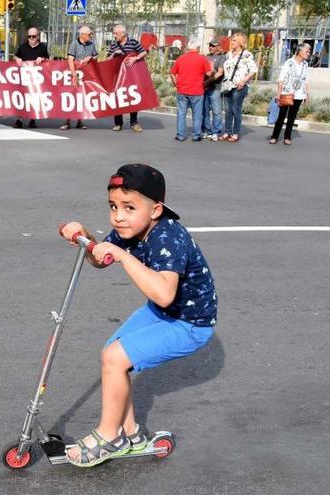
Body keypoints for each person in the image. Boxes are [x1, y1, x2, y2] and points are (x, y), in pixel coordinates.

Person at [59, 163, 216, 468]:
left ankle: (109, 437)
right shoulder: (129, 228)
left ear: (155, 210)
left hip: (190, 324)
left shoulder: (168, 237)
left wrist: (123, 256)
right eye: (113, 206)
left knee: (116, 358)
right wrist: (85, 236)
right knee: (112, 356)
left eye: (129, 207)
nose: (118, 216)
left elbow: (164, 293)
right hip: (162, 312)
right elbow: (101, 258)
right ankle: (130, 433)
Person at [169, 37, 212, 142]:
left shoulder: (181, 58)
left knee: (181, 114)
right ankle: (196, 135)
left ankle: (180, 135)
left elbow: (172, 73)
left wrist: (176, 84)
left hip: (182, 90)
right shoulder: (202, 58)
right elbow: (209, 74)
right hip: (197, 91)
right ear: (197, 47)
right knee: (197, 114)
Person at [270, 43, 311, 146]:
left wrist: (306, 95)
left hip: (299, 94)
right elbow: (281, 78)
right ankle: (274, 136)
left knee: (292, 117)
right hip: (286, 93)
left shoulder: (305, 64)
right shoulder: (289, 62)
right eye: (307, 51)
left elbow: (306, 80)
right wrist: (279, 94)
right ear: (300, 51)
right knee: (281, 116)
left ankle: (287, 137)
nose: (308, 53)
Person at [108, 24, 147, 132]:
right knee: (117, 98)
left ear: (122, 33)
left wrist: (136, 58)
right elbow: (108, 59)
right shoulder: (113, 45)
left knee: (132, 98)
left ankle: (134, 123)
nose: (115, 36)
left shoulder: (133, 42)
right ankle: (118, 123)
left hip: (131, 76)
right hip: (118, 77)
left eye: (116, 33)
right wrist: (114, 54)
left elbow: (144, 52)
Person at [220, 32, 257, 143]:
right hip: (228, 85)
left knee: (236, 109)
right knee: (227, 110)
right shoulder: (229, 54)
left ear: (241, 42)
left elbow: (253, 70)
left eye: (234, 40)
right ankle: (227, 132)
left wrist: (244, 81)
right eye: (232, 40)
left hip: (239, 86)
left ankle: (235, 133)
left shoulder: (247, 54)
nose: (232, 42)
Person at [61, 26, 97, 130]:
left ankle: (80, 121)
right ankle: (67, 121)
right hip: (75, 74)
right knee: (72, 97)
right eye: (89, 34)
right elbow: (70, 60)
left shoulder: (92, 44)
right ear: (83, 35)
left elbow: (95, 56)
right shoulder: (74, 44)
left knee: (82, 98)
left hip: (86, 75)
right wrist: (73, 76)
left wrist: (90, 57)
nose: (91, 36)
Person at [13, 27, 49, 129]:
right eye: (29, 36)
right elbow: (15, 57)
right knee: (21, 98)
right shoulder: (23, 47)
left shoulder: (42, 48)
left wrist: (42, 58)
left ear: (38, 37)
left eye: (34, 36)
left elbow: (48, 60)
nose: (31, 39)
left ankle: (32, 119)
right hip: (23, 77)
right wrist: (17, 58)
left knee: (34, 98)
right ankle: (19, 120)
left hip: (36, 78)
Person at [202, 39, 225, 142]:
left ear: (218, 47)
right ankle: (207, 130)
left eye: (213, 46)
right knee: (205, 111)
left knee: (216, 112)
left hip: (215, 88)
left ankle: (216, 132)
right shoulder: (206, 57)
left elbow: (220, 72)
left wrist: (207, 81)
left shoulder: (221, 57)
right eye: (210, 45)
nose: (210, 47)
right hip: (205, 88)